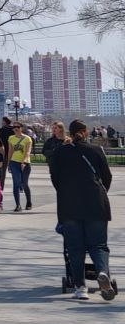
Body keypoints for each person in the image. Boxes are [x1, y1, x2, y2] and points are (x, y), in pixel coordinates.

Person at [49, 120, 116, 301]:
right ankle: (102, 272)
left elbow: (55, 179)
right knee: (99, 245)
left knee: (75, 248)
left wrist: (66, 193)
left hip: (69, 205)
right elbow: (107, 177)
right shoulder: (96, 150)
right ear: (85, 132)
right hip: (96, 204)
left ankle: (80, 287)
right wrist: (99, 193)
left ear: (70, 133)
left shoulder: (59, 152)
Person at [7, 120, 34, 212]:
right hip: (14, 162)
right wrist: (9, 163)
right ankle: (18, 205)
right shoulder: (11, 138)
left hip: (25, 163)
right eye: (14, 127)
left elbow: (28, 152)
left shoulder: (27, 138)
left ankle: (29, 202)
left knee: (24, 184)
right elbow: (10, 151)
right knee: (16, 183)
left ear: (21, 128)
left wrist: (24, 162)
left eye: (17, 127)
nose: (15, 129)